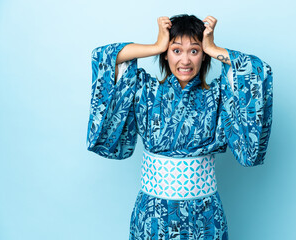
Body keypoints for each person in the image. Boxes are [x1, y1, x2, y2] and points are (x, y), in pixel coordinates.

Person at [86, 14, 273, 240]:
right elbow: (104, 57)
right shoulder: (146, 90)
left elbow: (257, 70)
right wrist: (156, 45)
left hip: (204, 217)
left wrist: (214, 48)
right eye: (176, 50)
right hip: (152, 216)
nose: (185, 60)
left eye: (194, 51)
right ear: (166, 54)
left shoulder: (218, 95)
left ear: (203, 56)